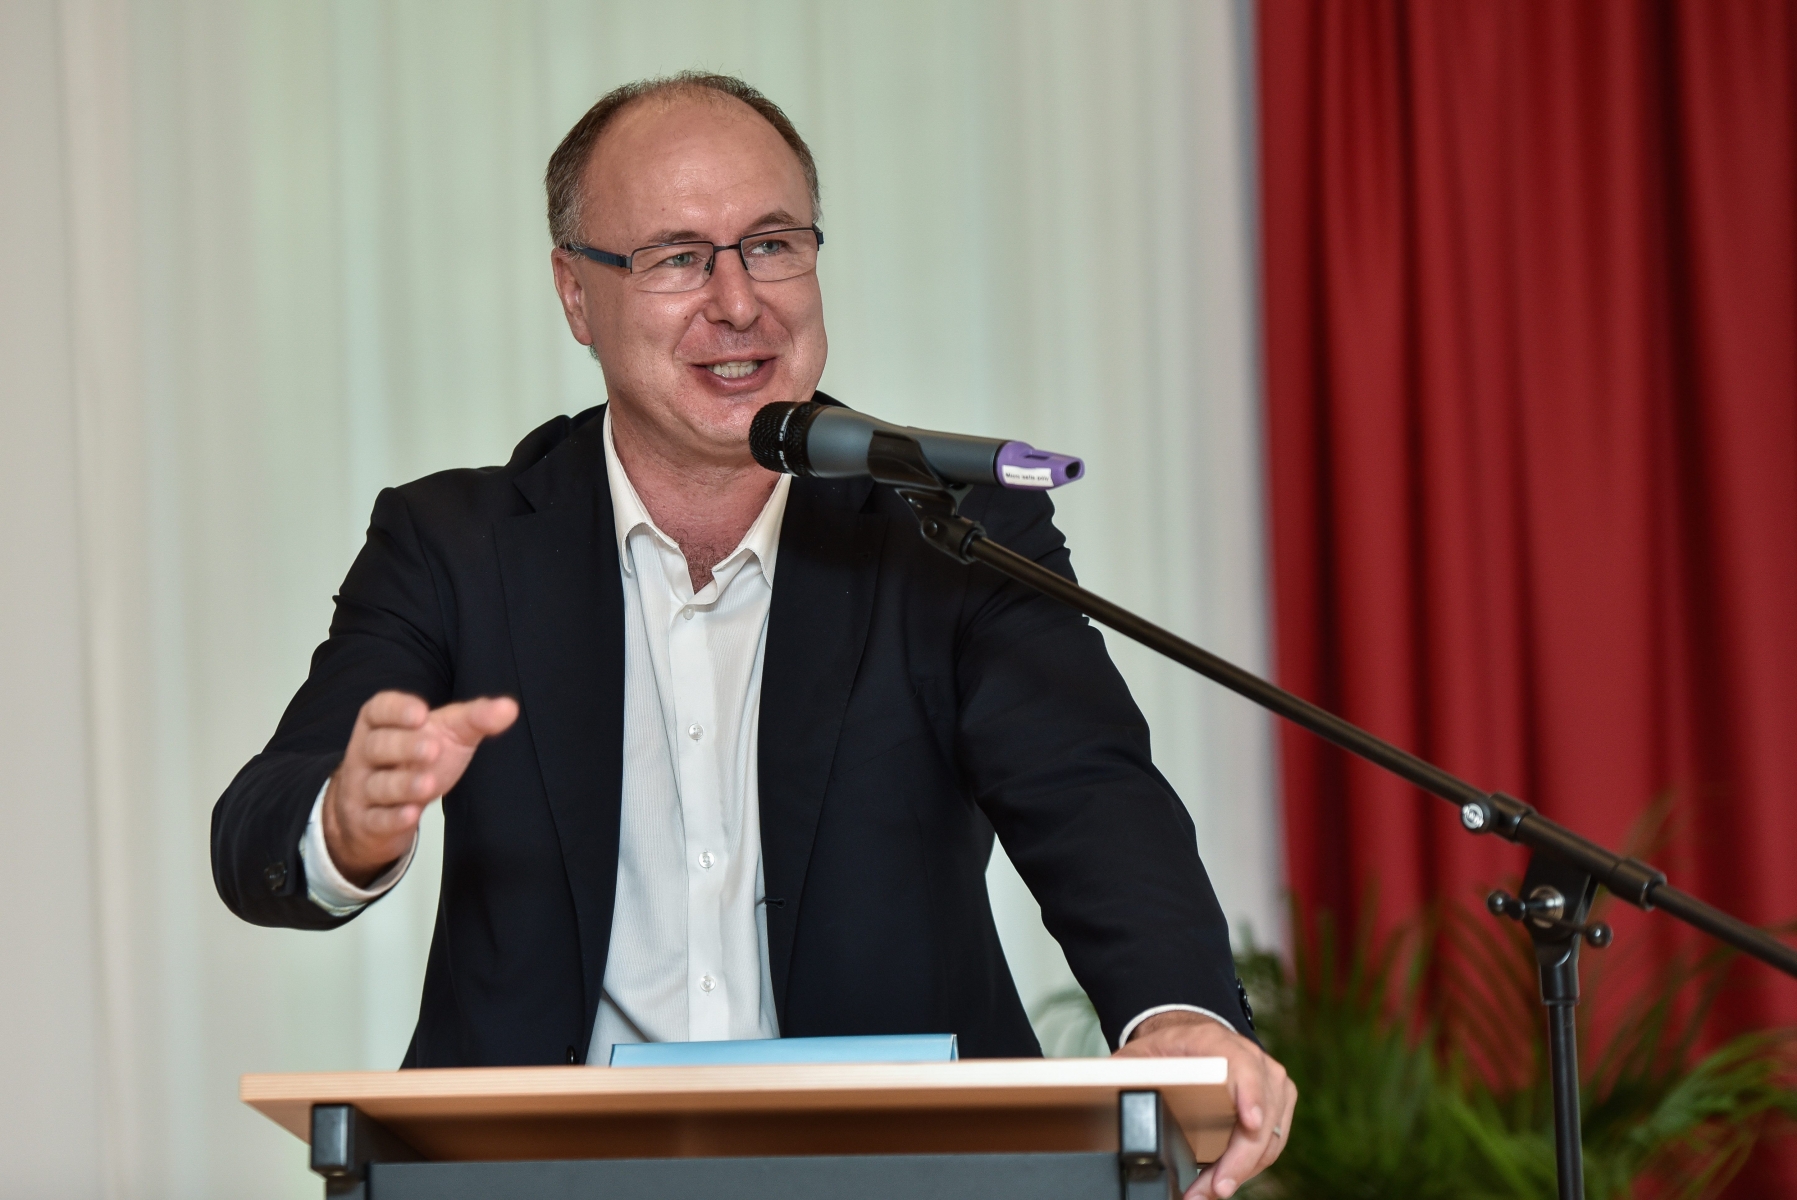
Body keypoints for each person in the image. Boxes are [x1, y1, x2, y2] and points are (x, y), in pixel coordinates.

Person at [210, 72, 1294, 1198]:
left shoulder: (944, 529)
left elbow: (1089, 792)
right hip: (534, 1174)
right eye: (678, 257)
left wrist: (1179, 1016)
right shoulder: (455, 545)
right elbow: (259, 831)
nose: (738, 301)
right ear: (576, 296)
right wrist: (346, 823)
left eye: (771, 245)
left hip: (908, 1174)